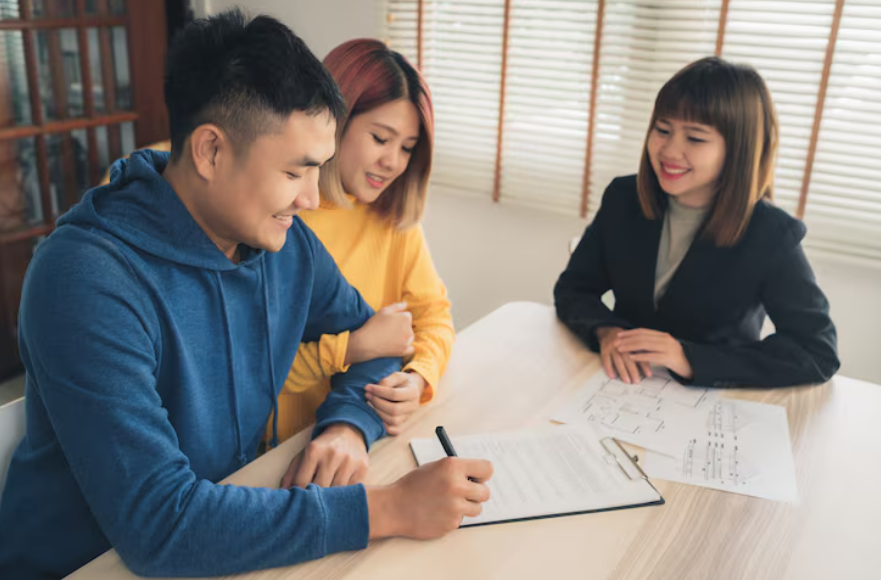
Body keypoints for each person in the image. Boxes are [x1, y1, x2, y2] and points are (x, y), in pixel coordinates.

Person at [0, 10, 490, 579]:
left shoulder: (286, 247)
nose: (312, 198)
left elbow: (377, 345)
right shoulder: (85, 279)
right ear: (210, 151)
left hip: (222, 538)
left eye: (320, 169)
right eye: (296, 172)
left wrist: (348, 424)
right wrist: (389, 507)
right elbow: (163, 528)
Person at [554, 57, 839, 389]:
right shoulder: (623, 198)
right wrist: (607, 331)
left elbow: (816, 352)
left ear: (737, 151)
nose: (670, 150)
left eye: (696, 138)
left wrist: (689, 358)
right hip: (620, 388)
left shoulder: (771, 233)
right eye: (662, 130)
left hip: (715, 402)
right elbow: (574, 289)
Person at [271, 39, 454, 457]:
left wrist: (418, 377)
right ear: (333, 119)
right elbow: (251, 364)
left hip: (350, 435)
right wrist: (354, 348)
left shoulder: (393, 221)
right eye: (380, 138)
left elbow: (434, 317)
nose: (393, 161)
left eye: (407, 148)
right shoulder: (277, 213)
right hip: (269, 448)